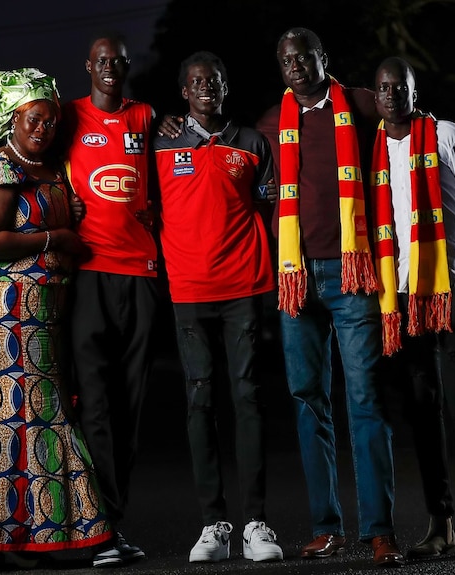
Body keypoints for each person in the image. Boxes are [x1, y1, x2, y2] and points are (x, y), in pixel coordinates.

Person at [252, 28, 407, 567]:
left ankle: (379, 530)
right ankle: (326, 527)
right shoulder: (271, 123)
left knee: (365, 402)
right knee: (307, 401)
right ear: (280, 67)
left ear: (325, 58)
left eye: (305, 56)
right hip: (296, 277)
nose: (296, 65)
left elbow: (413, 124)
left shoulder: (361, 105)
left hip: (351, 275)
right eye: (286, 58)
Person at [0, 68, 113, 561]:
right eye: (32, 119)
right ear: (9, 119)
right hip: (2, 318)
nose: (42, 128)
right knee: (7, 414)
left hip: (45, 314)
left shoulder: (52, 169)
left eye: (50, 120)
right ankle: (3, 538)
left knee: (38, 413)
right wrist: (54, 239)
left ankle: (36, 535)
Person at [370, 56, 455, 561]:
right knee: (421, 407)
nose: (391, 96)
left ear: (412, 91)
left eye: (399, 87)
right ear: (375, 95)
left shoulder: (446, 135)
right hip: (403, 294)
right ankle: (440, 522)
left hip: (454, 286)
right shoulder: (373, 151)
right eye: (382, 88)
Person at [153, 51, 283, 565]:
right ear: (184, 91)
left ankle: (256, 522)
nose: (207, 86)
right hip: (187, 290)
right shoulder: (161, 142)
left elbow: (270, 206)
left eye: (215, 80)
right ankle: (214, 524)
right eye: (196, 81)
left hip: (244, 287)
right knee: (199, 400)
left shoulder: (250, 142)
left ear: (226, 88)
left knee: (248, 397)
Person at [60, 31, 156, 568]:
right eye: (102, 62)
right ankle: (95, 527)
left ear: (127, 67)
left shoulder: (147, 117)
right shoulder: (68, 116)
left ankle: (112, 521)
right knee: (92, 402)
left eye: (119, 61)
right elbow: (41, 160)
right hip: (89, 274)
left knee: (129, 405)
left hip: (141, 273)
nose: (111, 69)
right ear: (88, 66)